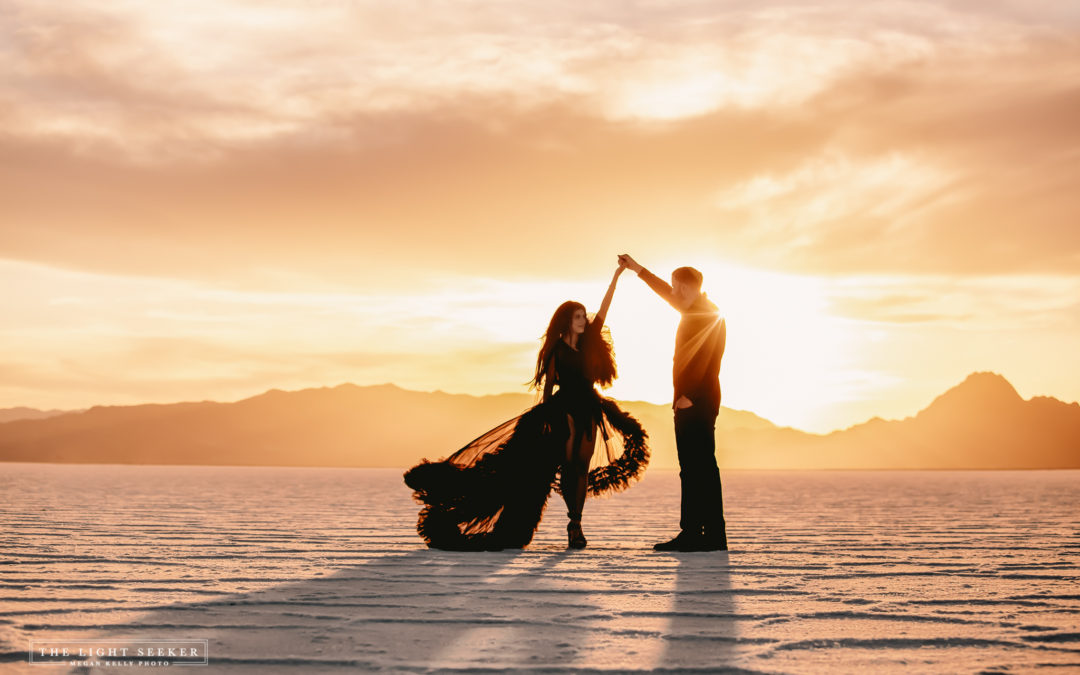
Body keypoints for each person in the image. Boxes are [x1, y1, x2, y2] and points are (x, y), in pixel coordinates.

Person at [404, 263, 649, 550]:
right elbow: (547, 388)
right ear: (567, 321)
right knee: (568, 466)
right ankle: (570, 521)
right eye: (578, 316)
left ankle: (576, 523)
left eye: (585, 316)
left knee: (580, 468)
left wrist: (616, 278)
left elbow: (605, 307)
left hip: (590, 409)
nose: (584, 320)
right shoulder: (556, 350)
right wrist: (547, 417)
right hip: (565, 410)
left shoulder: (589, 343)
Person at [618, 254, 728, 552]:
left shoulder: (707, 314)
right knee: (694, 467)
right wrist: (637, 269)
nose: (675, 292)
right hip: (692, 400)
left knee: (700, 466)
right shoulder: (692, 307)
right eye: (675, 287)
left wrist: (688, 396)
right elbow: (663, 292)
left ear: (693, 288)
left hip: (696, 401)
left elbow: (706, 359)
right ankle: (700, 533)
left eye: (680, 288)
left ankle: (704, 534)